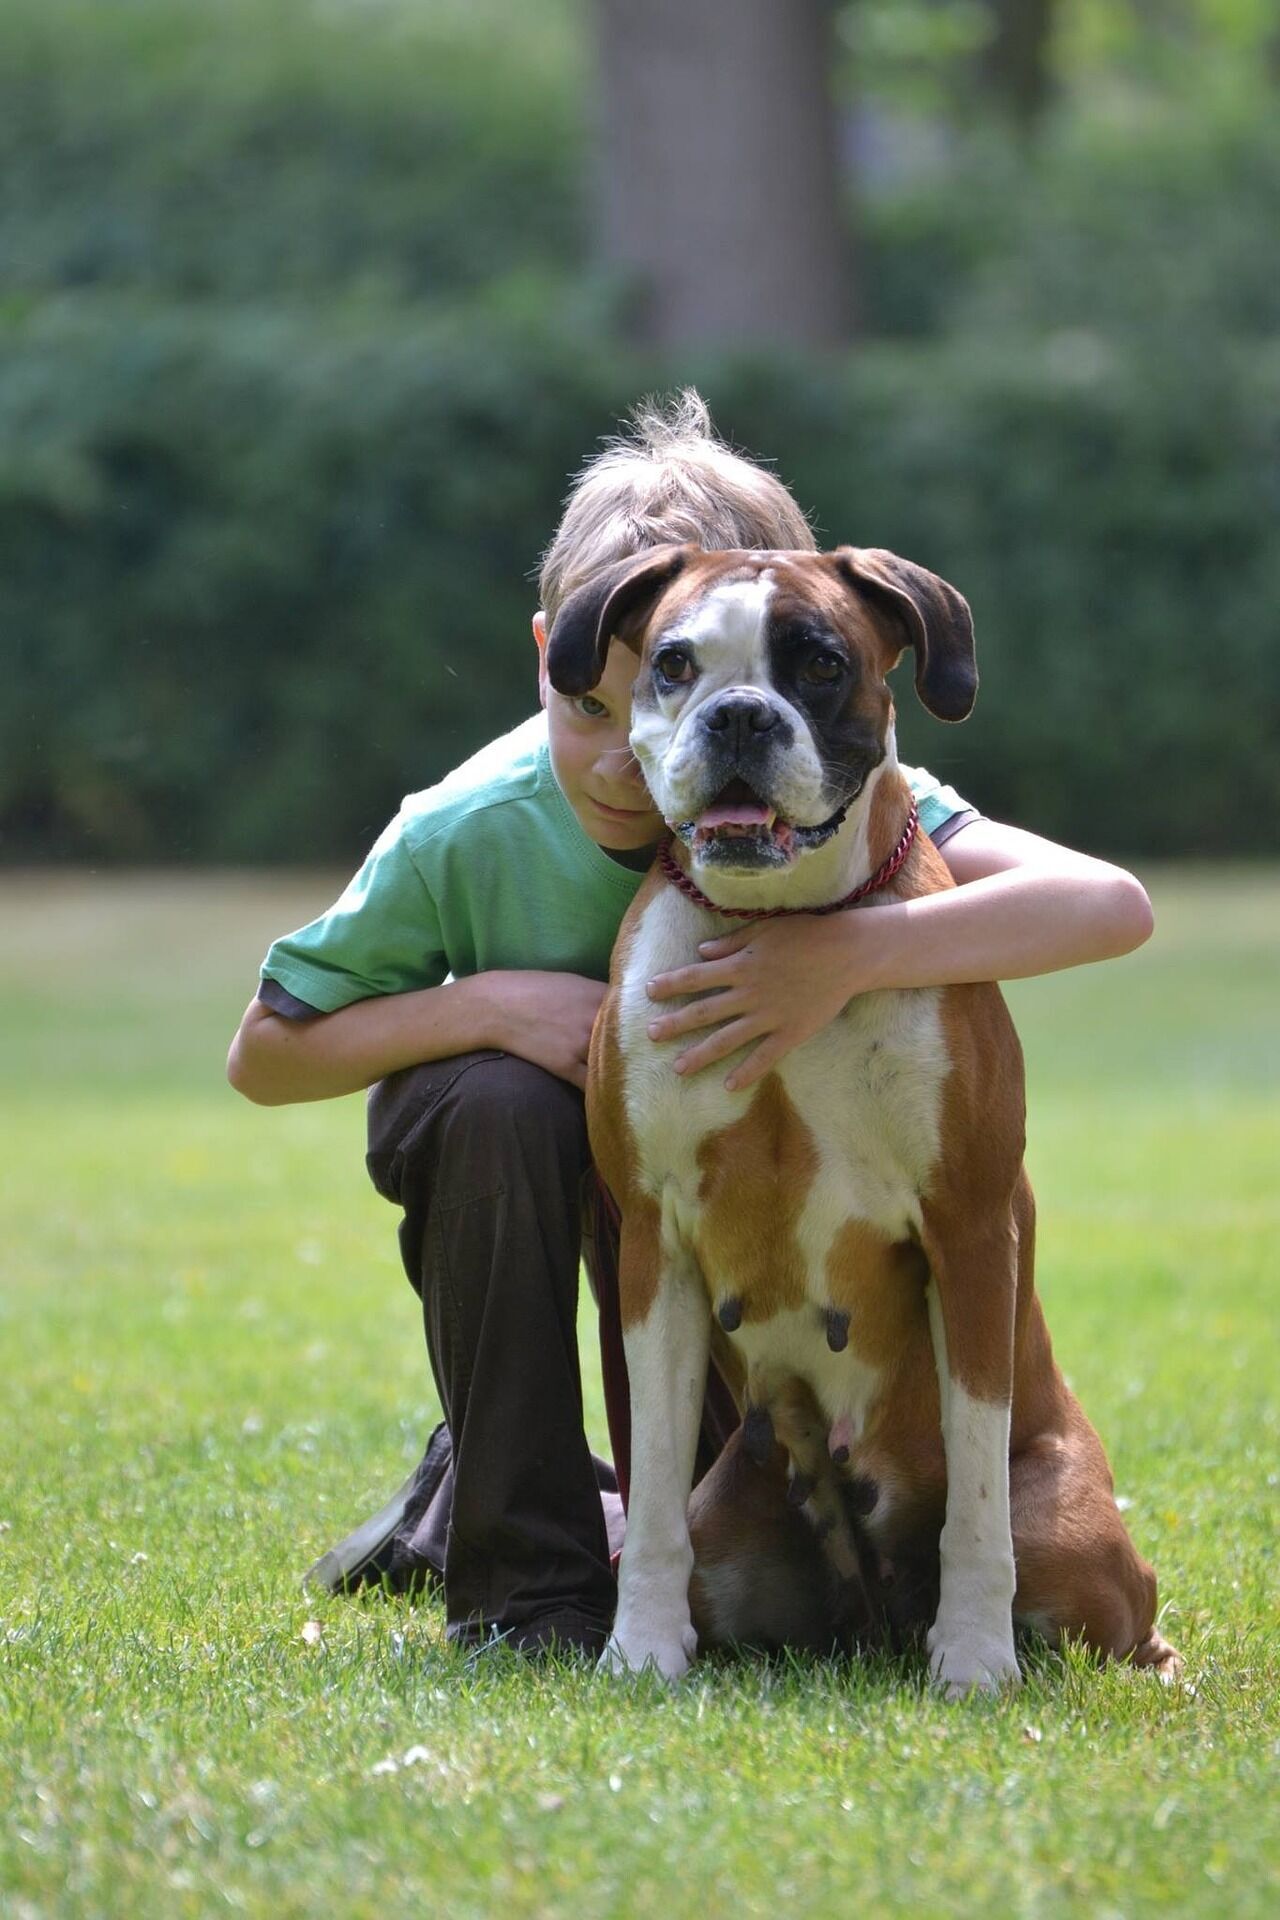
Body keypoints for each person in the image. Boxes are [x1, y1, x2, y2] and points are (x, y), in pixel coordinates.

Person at [226, 391, 1154, 1660]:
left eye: (799, 672)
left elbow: (1107, 905)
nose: (635, 758)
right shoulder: (467, 823)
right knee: (500, 1106)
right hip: (569, 1174)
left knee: (777, 1575)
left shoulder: (867, 812)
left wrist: (837, 957)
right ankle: (522, 1565)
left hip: (774, 1270)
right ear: (561, 653)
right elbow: (263, 1054)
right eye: (620, 700)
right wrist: (496, 1007)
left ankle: (619, 1530)